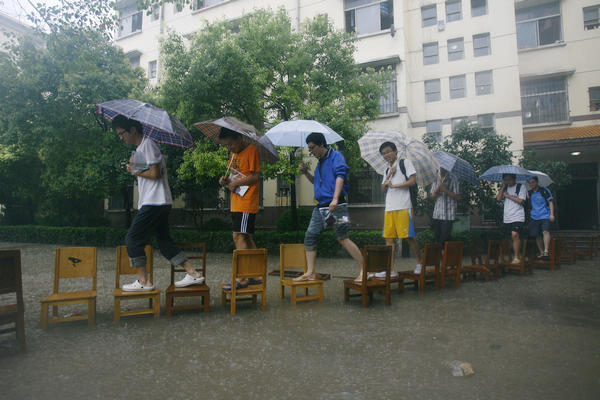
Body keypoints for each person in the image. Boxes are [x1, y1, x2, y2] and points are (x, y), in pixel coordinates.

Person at [113, 115, 204, 291]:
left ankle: (143, 282)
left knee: (132, 239)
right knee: (164, 241)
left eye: (121, 133)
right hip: (158, 201)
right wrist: (135, 168)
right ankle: (193, 274)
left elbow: (154, 174)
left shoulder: (147, 144)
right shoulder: (142, 148)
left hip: (154, 202)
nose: (121, 137)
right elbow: (150, 173)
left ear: (132, 130)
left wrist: (134, 171)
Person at [296, 132, 364, 282]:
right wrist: (305, 172)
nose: (311, 151)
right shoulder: (320, 163)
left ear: (321, 144)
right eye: (309, 149)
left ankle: (364, 270)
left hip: (338, 205)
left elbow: (340, 176)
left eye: (312, 148)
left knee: (343, 237)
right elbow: (317, 182)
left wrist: (334, 199)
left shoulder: (336, 156)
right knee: (309, 236)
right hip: (320, 208)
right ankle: (310, 272)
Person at [218, 127, 261, 289]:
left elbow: (256, 176)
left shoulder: (252, 151)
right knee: (246, 238)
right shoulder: (233, 154)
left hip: (247, 201)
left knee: (238, 237)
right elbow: (234, 176)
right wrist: (225, 180)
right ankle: (256, 274)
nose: (229, 148)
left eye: (230, 144)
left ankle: (243, 278)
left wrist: (237, 183)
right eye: (226, 146)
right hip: (236, 200)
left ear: (239, 138)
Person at [378, 141, 422, 276]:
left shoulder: (405, 163)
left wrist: (395, 186)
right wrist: (389, 175)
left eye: (388, 151)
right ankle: (390, 270)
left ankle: (420, 263)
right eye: (384, 153)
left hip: (403, 206)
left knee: (408, 237)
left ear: (395, 151)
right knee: (389, 239)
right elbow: (383, 188)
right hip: (389, 208)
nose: (386, 155)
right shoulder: (386, 170)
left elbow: (412, 181)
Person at [496, 173, 527, 264]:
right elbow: (498, 199)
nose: (507, 181)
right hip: (507, 216)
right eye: (505, 180)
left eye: (509, 179)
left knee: (515, 235)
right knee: (509, 237)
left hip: (518, 215)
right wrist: (503, 187)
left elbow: (521, 200)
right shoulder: (505, 188)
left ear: (514, 179)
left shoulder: (521, 187)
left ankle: (517, 257)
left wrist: (508, 196)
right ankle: (511, 256)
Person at [430, 167, 461, 247]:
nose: (440, 169)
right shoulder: (436, 177)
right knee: (437, 238)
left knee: (445, 238)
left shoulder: (453, 178)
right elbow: (432, 196)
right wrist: (437, 189)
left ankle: (445, 257)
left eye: (443, 167)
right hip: (437, 213)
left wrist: (445, 190)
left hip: (448, 214)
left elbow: (458, 197)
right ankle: (440, 257)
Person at [528, 176, 555, 259]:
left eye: (533, 182)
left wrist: (552, 214)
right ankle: (541, 252)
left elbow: (550, 202)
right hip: (534, 216)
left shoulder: (544, 191)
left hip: (545, 215)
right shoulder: (529, 193)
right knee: (536, 235)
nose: (531, 184)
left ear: (537, 182)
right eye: (530, 183)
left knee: (545, 231)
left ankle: (546, 251)